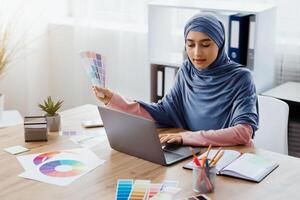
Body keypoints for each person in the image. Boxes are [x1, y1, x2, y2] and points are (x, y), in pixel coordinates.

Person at [93, 12, 259, 147]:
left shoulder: (241, 78)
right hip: (194, 154)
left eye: (206, 44)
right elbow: (163, 113)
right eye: (190, 44)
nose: (196, 53)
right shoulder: (187, 70)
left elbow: (243, 132)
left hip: (227, 157)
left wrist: (187, 137)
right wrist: (114, 99)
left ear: (220, 43)